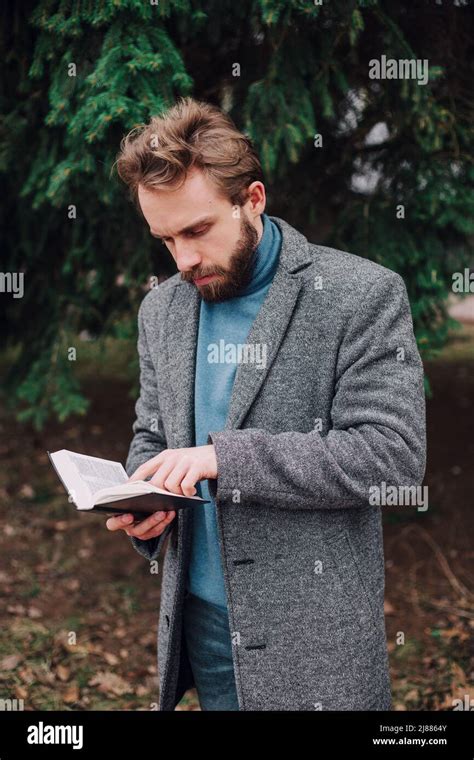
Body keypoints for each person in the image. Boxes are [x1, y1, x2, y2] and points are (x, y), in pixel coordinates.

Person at [106, 96, 426, 711]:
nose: (184, 259)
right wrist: (144, 498)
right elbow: (154, 434)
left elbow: (392, 458)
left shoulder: (361, 295)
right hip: (199, 630)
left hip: (315, 645)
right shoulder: (162, 308)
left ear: (253, 199)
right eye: (165, 239)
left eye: (197, 230)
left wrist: (223, 460)